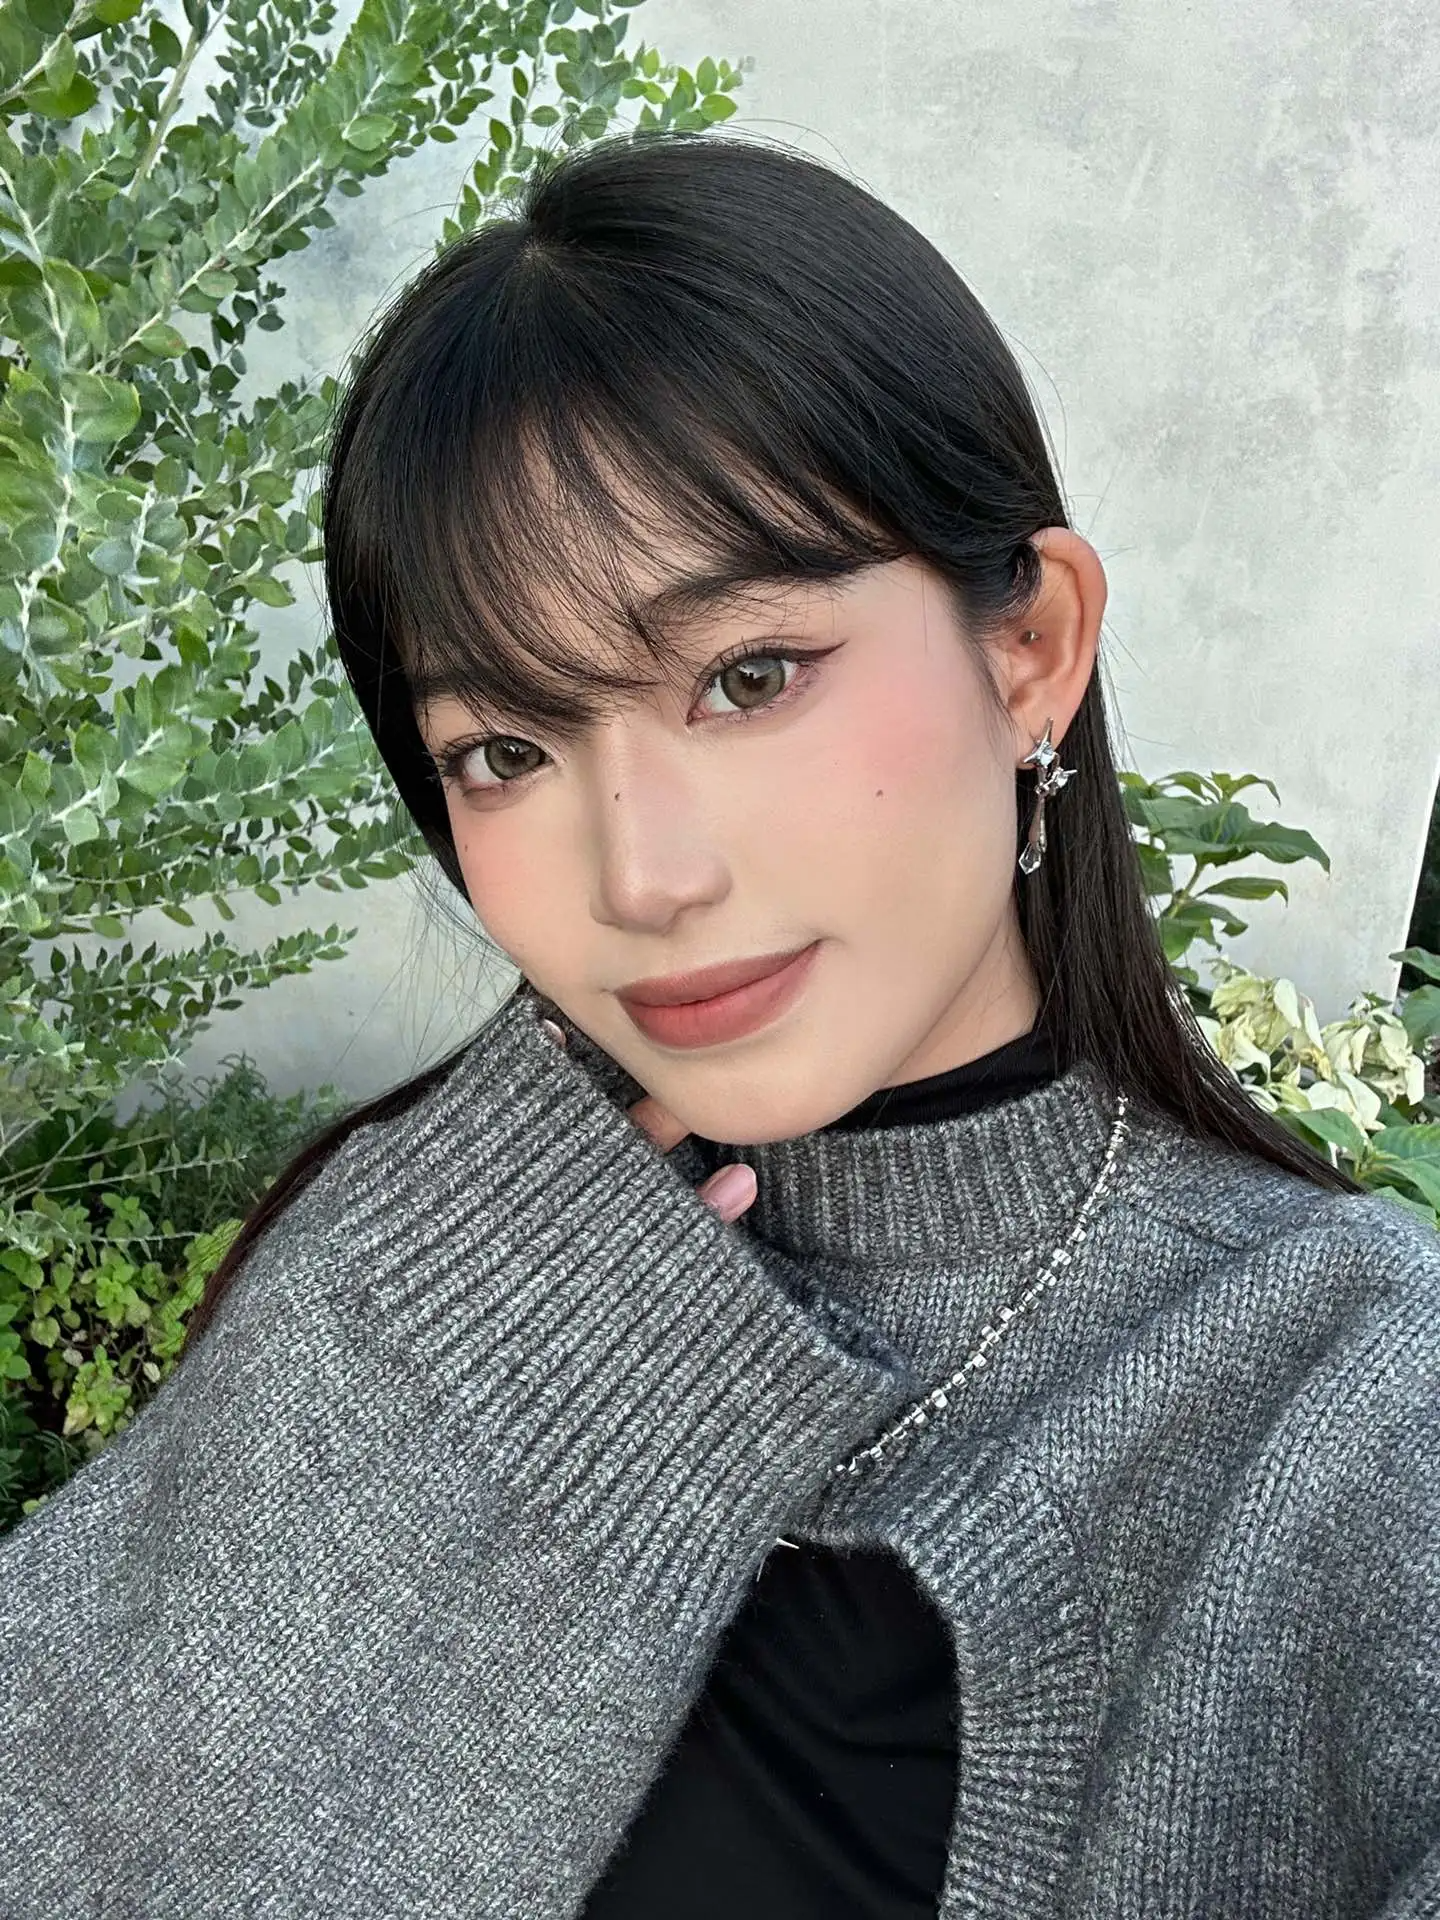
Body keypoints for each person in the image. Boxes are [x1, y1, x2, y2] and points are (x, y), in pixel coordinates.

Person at [2, 128, 1437, 1920]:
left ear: (1031, 651)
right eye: (506, 749)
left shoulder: (1353, 1415)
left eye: (748, 677)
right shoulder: (420, 1259)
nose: (644, 875)